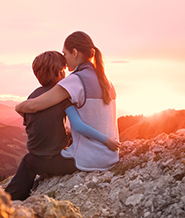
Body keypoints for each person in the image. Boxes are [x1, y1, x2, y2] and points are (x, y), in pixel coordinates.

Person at [6, 31, 119, 200]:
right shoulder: (106, 80)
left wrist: (19, 106)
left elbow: (36, 105)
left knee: (29, 161)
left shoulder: (75, 80)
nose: (64, 61)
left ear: (75, 52)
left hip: (89, 159)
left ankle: (7, 201)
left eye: (65, 54)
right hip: (110, 155)